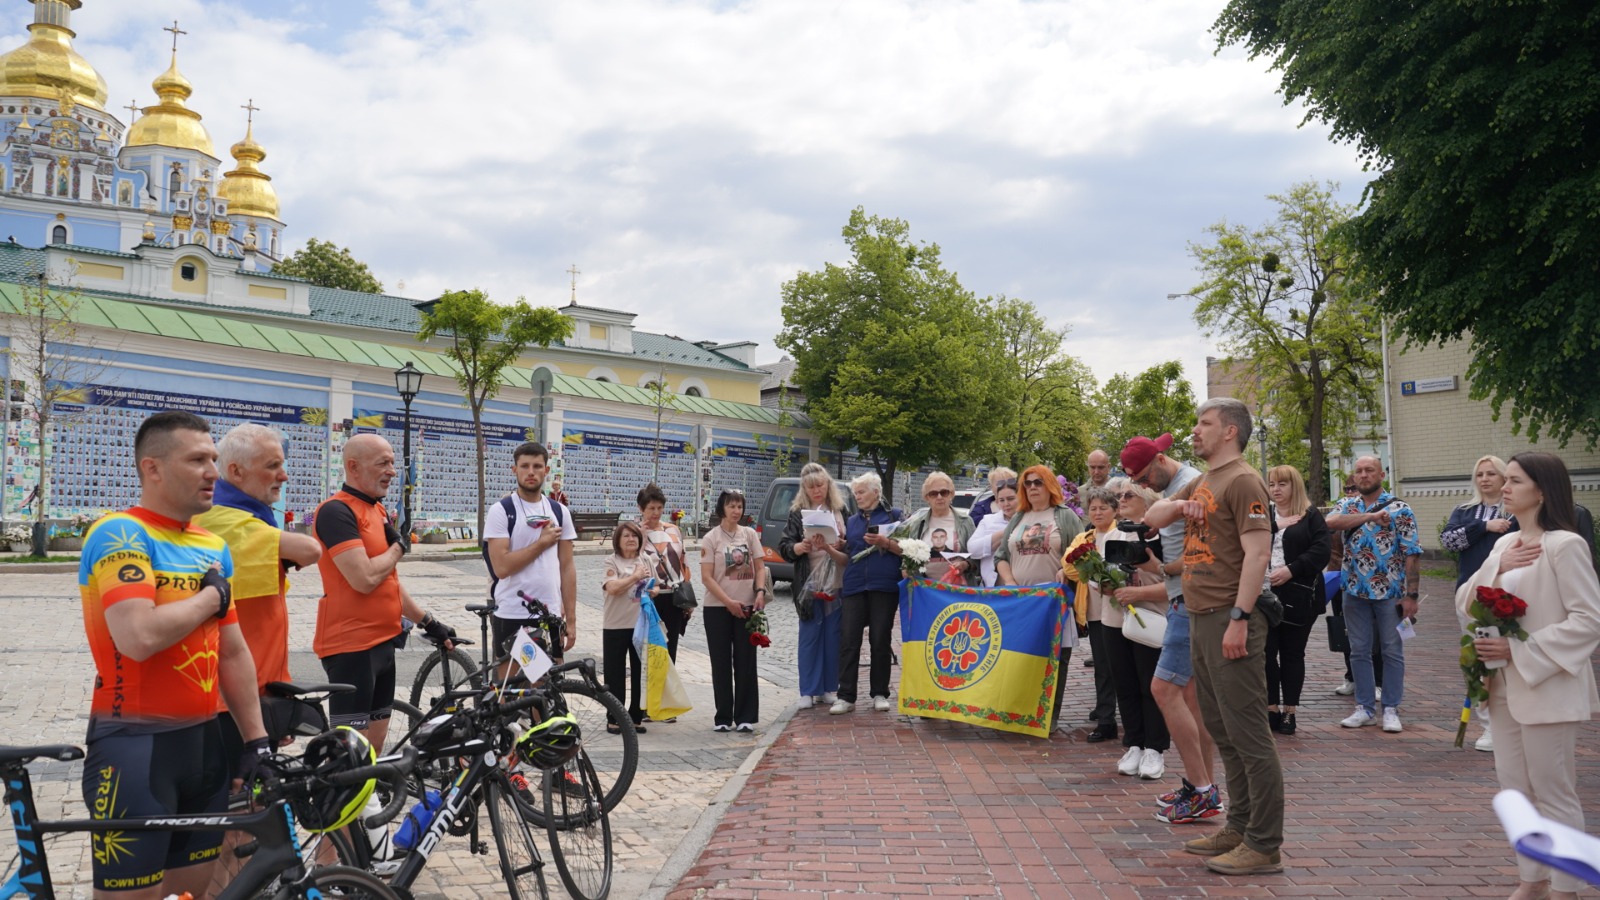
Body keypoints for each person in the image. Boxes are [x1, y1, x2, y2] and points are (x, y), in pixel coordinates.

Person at [78, 410, 268, 900]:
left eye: (214, 459)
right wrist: (210, 597)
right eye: (197, 460)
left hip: (203, 750)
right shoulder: (119, 533)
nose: (213, 471)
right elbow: (138, 636)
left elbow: (232, 652)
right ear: (153, 468)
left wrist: (256, 741)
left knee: (190, 894)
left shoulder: (213, 546)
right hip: (135, 751)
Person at [1144, 398, 1284, 876]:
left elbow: (1258, 554)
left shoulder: (1243, 480)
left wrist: (1241, 617)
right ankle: (1239, 827)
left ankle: (1264, 844)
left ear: (1230, 431)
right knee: (1222, 730)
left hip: (1230, 615)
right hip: (1200, 615)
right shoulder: (1206, 480)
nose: (1195, 431)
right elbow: (1153, 518)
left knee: (1248, 733)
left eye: (1204, 423)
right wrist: (1178, 504)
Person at [1458, 452, 1600, 900]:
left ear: (1542, 490)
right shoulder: (1504, 545)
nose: (1504, 487)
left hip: (1547, 685)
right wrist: (1499, 566)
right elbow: (1466, 603)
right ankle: (1532, 881)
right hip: (1501, 685)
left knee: (1554, 791)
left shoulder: (1565, 545)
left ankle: (1566, 889)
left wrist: (1519, 648)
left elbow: (1588, 620)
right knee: (1517, 792)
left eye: (1515, 481)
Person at [314, 433, 455, 753]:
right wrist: (398, 548)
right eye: (383, 463)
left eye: (392, 463)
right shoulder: (336, 512)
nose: (392, 471)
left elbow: (387, 582)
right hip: (351, 646)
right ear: (353, 467)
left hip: (383, 644)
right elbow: (363, 578)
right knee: (349, 754)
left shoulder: (376, 510)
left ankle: (370, 787)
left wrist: (429, 622)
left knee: (374, 747)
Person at [1120, 433, 1219, 824]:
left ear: (1161, 460)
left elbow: (1202, 553)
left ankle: (1203, 790)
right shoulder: (1180, 486)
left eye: (1144, 477)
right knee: (1193, 700)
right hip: (1187, 600)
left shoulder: (1191, 484)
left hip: (1189, 602)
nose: (1143, 485)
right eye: (1136, 482)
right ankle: (1203, 786)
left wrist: (1159, 567)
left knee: (1163, 689)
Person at [1099, 480, 1186, 813]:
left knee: (1152, 685)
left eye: (1128, 495)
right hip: (1115, 619)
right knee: (1125, 684)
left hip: (1153, 619)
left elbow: (1177, 583)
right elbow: (1099, 577)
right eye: (1119, 495)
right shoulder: (1112, 535)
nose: (1121, 499)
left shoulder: (1164, 537)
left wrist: (1139, 593)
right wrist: (1104, 583)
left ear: (1148, 502)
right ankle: (1133, 744)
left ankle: (1155, 749)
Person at [1326, 455, 1422, 733]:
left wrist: (1412, 595)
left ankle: (1390, 708)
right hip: (1353, 590)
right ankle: (1365, 708)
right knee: (1358, 650)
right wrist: (1369, 516)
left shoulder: (1400, 509)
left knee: (1392, 650)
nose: (1363, 475)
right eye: (1359, 471)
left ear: (1381, 475)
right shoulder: (1348, 505)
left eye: (1370, 470)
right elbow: (1331, 522)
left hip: (1390, 593)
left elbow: (1412, 552)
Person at [994, 464, 1085, 730]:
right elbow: (1001, 556)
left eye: (1038, 482)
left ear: (1050, 486)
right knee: (1020, 655)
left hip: (1053, 601)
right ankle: (1019, 710)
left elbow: (1082, 552)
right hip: (1022, 601)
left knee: (1055, 658)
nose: (1032, 487)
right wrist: (1010, 583)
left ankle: (1049, 715)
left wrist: (1066, 570)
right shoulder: (1018, 517)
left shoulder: (1065, 516)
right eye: (1027, 483)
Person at [1061, 487, 1141, 753]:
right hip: (1095, 611)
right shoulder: (1084, 537)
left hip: (1125, 607)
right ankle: (1106, 719)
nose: (1097, 513)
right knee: (1103, 666)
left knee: (1126, 665)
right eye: (1093, 508)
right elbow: (1068, 565)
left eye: (1103, 508)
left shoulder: (1124, 533)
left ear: (1115, 510)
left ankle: (1127, 717)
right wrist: (1093, 571)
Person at [1440, 454, 1512, 751]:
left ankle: (1510, 722)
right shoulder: (1465, 511)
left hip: (1508, 596)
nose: (1484, 479)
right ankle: (1489, 726)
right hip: (1471, 596)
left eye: (1491, 473)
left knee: (1506, 662)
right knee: (1480, 661)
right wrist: (1484, 527)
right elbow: (1449, 541)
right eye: (1480, 474)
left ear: (1504, 477)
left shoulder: (1515, 513)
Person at [484, 441, 578, 663]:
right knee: (511, 682)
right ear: (514, 470)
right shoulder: (502, 510)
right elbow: (502, 568)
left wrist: (572, 619)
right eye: (524, 466)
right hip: (512, 612)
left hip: (549, 613)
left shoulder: (559, 511)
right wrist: (542, 543)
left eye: (537, 466)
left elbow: (567, 567)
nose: (531, 472)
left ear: (546, 470)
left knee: (550, 680)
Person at [1263, 465, 1330, 737]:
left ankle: (1289, 710)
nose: (1276, 489)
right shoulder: (1264, 514)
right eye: (1272, 484)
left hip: (1298, 595)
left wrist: (1291, 569)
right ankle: (1271, 707)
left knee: (1292, 653)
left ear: (1295, 486)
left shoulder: (1310, 515)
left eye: (1282, 484)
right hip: (1264, 594)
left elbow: (1321, 551)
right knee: (1265, 653)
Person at [832, 472, 905, 715]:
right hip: (854, 585)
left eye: (862, 492)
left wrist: (885, 543)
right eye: (855, 493)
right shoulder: (852, 521)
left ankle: (880, 693)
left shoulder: (895, 516)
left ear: (876, 492)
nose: (858, 497)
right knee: (848, 640)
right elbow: (850, 552)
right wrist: (840, 546)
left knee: (880, 639)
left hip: (884, 585)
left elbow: (907, 549)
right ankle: (845, 696)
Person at [779, 463, 849, 709]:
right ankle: (808, 690)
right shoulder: (797, 513)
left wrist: (842, 544)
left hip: (837, 581)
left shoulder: (840, 509)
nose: (817, 490)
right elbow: (785, 546)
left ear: (828, 485)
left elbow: (851, 542)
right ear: (804, 490)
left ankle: (829, 688)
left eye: (820, 485)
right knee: (809, 636)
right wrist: (799, 547)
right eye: (811, 487)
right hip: (809, 582)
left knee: (833, 636)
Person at [701, 488, 768, 731]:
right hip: (717, 607)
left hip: (747, 606)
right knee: (720, 662)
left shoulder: (749, 534)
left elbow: (760, 568)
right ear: (722, 508)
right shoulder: (711, 538)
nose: (736, 511)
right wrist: (728, 602)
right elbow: (706, 577)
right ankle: (722, 718)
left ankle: (745, 717)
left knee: (746, 661)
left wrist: (759, 592)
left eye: (739, 506)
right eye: (731, 506)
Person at [601, 520, 653, 733]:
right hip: (616, 624)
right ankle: (614, 717)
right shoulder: (611, 561)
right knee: (614, 674)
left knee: (641, 673)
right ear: (618, 540)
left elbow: (654, 585)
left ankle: (636, 716)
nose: (631, 539)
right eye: (626, 536)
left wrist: (653, 590)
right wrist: (635, 577)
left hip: (641, 624)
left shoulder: (645, 559)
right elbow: (612, 588)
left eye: (634, 535)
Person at [639, 483, 692, 666]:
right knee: (651, 650)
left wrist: (687, 595)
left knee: (670, 649)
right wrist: (642, 538)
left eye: (660, 508)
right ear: (641, 508)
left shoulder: (673, 530)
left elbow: (683, 562)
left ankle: (668, 684)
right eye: (651, 508)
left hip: (674, 596)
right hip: (649, 597)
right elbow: (632, 562)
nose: (656, 512)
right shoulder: (634, 532)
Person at [899, 471, 977, 584]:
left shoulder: (966, 522)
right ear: (927, 498)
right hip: (926, 588)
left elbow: (977, 558)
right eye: (933, 494)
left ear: (951, 494)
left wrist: (965, 565)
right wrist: (907, 569)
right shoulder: (917, 524)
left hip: (959, 589)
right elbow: (908, 558)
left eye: (944, 492)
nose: (939, 497)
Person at [968, 476, 1019, 587]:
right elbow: (972, 549)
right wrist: (1004, 534)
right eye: (1001, 500)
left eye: (1010, 499)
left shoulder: (1030, 519)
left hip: (1024, 585)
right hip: (993, 587)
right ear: (996, 501)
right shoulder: (988, 520)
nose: (1006, 504)